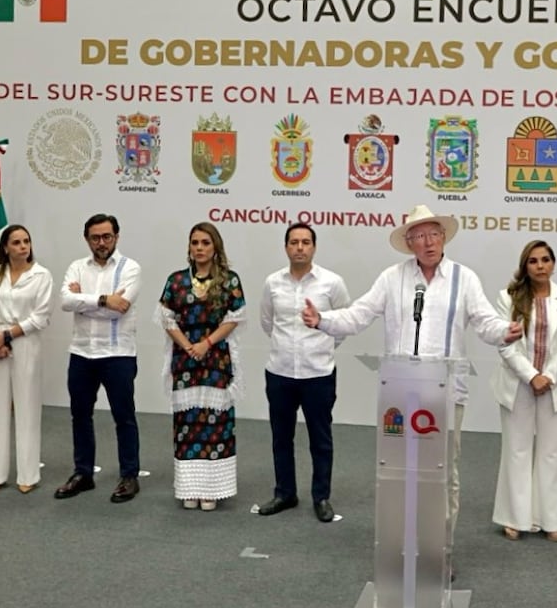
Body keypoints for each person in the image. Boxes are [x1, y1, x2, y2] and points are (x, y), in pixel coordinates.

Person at [302, 204, 522, 572]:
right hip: (400, 395)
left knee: (443, 476)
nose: (428, 242)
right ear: (409, 243)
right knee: (401, 476)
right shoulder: (393, 278)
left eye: (434, 234)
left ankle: (440, 550)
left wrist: (505, 331)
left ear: (444, 237)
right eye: (419, 236)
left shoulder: (463, 278)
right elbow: (358, 315)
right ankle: (402, 547)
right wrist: (321, 320)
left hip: (446, 393)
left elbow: (485, 322)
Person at [258, 222, 350, 522]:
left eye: (306, 242)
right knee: (280, 437)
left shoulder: (331, 283)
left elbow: (341, 323)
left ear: (314, 247)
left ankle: (321, 497)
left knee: (320, 439)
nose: (300, 247)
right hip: (280, 372)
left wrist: (320, 346)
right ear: (286, 247)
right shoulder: (272, 282)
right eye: (294, 242)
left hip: (318, 373)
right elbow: (267, 322)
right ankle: (285, 493)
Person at [490, 240, 557, 542]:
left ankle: (551, 519)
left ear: (553, 263)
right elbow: (506, 343)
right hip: (518, 385)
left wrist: (549, 376)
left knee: (551, 453)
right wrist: (531, 376)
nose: (540, 265)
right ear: (525, 266)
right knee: (517, 451)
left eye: (545, 259)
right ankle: (515, 517)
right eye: (533, 261)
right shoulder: (508, 298)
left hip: (555, 387)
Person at [155, 222, 245, 511]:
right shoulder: (176, 280)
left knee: (215, 423)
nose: (200, 248)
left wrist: (206, 343)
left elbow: (235, 317)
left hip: (216, 359)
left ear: (215, 247)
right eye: (195, 243)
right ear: (189, 248)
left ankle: (213, 490)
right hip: (185, 360)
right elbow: (166, 318)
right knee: (187, 424)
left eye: (205, 243)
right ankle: (189, 488)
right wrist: (187, 345)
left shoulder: (229, 280)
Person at [56, 213, 142, 503]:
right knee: (80, 415)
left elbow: (122, 306)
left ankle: (129, 475)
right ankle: (83, 473)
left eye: (107, 236)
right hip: (81, 353)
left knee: (124, 417)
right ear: (87, 239)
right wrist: (103, 298)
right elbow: (66, 302)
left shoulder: (131, 268)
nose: (101, 242)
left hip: (117, 354)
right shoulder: (76, 267)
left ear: (117, 237)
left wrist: (85, 301)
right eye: (95, 237)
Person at [0, 224, 53, 494]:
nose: (23, 246)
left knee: (27, 408)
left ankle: (28, 475)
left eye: (26, 242)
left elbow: (40, 317)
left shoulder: (41, 275)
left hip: (24, 343)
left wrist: (6, 336)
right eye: (17, 242)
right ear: (6, 247)